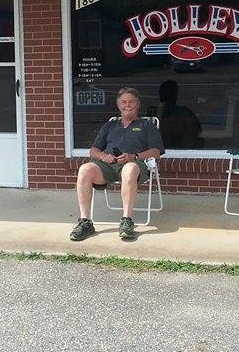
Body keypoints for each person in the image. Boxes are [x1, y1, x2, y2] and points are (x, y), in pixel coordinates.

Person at [69, 87, 165, 241]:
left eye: (131, 102)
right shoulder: (110, 125)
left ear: (138, 105)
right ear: (119, 105)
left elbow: (156, 152)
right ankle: (85, 222)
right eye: (124, 102)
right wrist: (103, 156)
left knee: (130, 168)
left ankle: (126, 220)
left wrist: (133, 156)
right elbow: (93, 150)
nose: (127, 105)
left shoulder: (147, 126)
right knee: (84, 169)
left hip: (134, 165)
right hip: (108, 166)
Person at [155, 79, 203, 149]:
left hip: (184, 150)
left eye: (171, 93)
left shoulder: (185, 113)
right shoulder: (154, 112)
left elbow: (197, 132)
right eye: (165, 93)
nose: (167, 96)